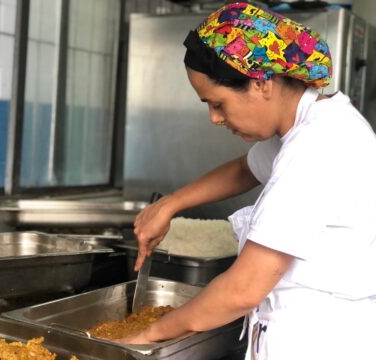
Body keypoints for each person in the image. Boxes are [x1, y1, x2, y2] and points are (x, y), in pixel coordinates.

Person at [118, 2, 376, 359]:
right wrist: (170, 205)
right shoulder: (305, 127)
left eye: (218, 104)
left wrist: (150, 336)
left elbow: (244, 289)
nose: (214, 118)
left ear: (261, 83)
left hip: (319, 343)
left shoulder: (320, 145)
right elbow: (245, 169)